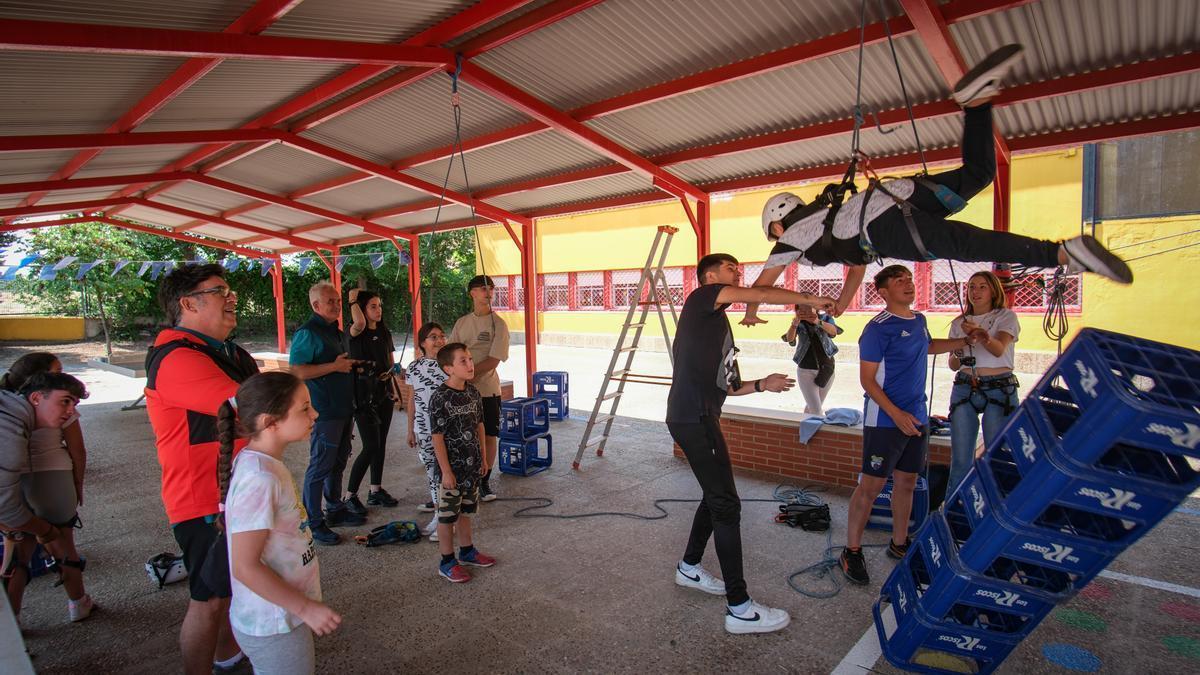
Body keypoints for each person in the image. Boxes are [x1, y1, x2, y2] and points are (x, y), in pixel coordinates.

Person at [743, 43, 1132, 326]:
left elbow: (761, 287)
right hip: (899, 196)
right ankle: (976, 104)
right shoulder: (825, 222)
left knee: (967, 244)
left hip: (883, 228)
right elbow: (857, 269)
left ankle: (1063, 254)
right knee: (979, 174)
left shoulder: (789, 240)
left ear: (776, 224)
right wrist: (842, 305)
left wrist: (751, 310)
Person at [666, 253, 837, 634]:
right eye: (731, 269)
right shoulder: (702, 298)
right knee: (726, 504)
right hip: (693, 418)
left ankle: (689, 568)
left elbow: (729, 386)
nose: (737, 274)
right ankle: (740, 608)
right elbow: (760, 291)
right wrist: (809, 300)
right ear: (710, 277)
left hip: (699, 416)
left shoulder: (717, 324)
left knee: (717, 497)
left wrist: (762, 383)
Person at [145, 263, 258, 674]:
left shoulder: (229, 352)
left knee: (230, 589)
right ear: (188, 303)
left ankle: (228, 655)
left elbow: (255, 411)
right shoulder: (176, 357)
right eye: (220, 291)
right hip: (203, 501)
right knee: (208, 599)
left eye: (230, 290)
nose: (231, 298)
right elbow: (254, 406)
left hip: (239, 490)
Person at [841, 265, 985, 586]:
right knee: (872, 486)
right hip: (885, 420)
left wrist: (964, 340)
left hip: (917, 416)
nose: (908, 284)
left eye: (909, 279)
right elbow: (867, 381)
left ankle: (900, 541)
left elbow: (928, 346)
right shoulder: (877, 329)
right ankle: (851, 550)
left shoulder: (918, 320)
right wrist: (896, 414)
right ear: (883, 292)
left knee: (907, 482)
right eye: (898, 281)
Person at [218, 372, 341, 674]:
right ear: (270, 422)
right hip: (274, 620)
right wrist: (305, 608)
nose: (315, 414)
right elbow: (244, 566)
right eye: (304, 409)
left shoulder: (265, 465)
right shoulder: (260, 478)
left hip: (282, 613)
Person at [1, 353, 92, 622]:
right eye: (56, 372)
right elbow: (78, 450)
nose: (69, 409)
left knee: (16, 553)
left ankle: (11, 620)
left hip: (19, 484)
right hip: (53, 478)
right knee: (63, 544)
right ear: (37, 391)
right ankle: (78, 603)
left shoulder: (12, 404)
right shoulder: (44, 408)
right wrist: (77, 483)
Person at [289, 281, 363, 547]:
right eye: (329, 301)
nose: (335, 305)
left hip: (344, 408)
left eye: (337, 300)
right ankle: (314, 522)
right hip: (324, 411)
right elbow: (297, 371)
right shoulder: (308, 332)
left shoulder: (336, 331)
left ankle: (334, 508)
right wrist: (334, 366)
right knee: (320, 465)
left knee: (339, 461)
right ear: (315, 305)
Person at [946, 271, 1021, 493]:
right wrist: (959, 349)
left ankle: (996, 507)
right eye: (971, 287)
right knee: (960, 458)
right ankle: (955, 509)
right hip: (965, 386)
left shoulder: (1005, 317)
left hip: (999, 388)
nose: (975, 292)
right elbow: (952, 363)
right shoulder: (959, 322)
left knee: (996, 455)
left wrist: (982, 335)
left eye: (982, 287)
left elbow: (998, 350)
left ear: (993, 291)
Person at [429, 343, 497, 583]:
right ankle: (447, 562)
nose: (470, 365)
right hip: (451, 471)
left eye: (470, 359)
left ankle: (467, 551)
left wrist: (483, 458)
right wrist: (446, 471)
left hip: (471, 467)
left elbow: (480, 424)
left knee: (466, 512)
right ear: (448, 368)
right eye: (463, 361)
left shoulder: (473, 392)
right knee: (447, 517)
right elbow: (436, 438)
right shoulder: (440, 397)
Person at [448, 275, 510, 502]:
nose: (488, 292)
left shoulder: (499, 324)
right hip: (461, 392)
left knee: (490, 436)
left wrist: (467, 378)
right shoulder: (462, 323)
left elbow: (494, 360)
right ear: (472, 293)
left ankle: (484, 481)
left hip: (486, 391)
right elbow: (450, 353)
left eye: (491, 288)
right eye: (483, 288)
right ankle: (467, 478)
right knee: (466, 436)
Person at [343, 289, 399, 511]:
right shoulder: (356, 332)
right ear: (362, 310)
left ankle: (375, 490)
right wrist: (353, 299)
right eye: (372, 306)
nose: (378, 310)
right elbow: (358, 322)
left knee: (380, 444)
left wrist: (394, 377)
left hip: (383, 393)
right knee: (371, 445)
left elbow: (390, 359)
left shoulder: (384, 332)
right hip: (363, 396)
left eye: (380, 306)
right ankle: (349, 496)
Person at [405, 322, 448, 539]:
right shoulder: (413, 368)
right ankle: (439, 515)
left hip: (447, 431)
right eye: (433, 337)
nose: (439, 340)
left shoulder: (450, 366)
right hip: (423, 428)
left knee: (448, 473)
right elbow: (412, 399)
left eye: (442, 336)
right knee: (432, 474)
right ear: (423, 343)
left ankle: (448, 521)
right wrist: (410, 429)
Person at [782, 305, 842, 415]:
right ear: (797, 310)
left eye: (809, 307)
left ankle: (805, 430)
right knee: (816, 410)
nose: (806, 310)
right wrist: (794, 325)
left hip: (827, 369)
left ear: (815, 307)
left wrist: (816, 321)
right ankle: (815, 431)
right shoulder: (798, 323)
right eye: (802, 308)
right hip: (806, 371)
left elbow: (833, 332)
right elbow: (790, 339)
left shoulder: (825, 318)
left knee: (813, 407)